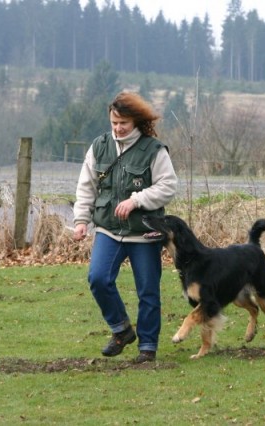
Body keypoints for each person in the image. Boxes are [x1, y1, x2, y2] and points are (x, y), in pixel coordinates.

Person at [72, 91, 177, 363]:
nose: (118, 129)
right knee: (98, 278)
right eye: (114, 123)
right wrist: (81, 221)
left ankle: (148, 346)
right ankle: (121, 330)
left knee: (148, 290)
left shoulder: (154, 150)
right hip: (108, 229)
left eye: (124, 124)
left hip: (144, 232)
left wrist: (137, 200)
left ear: (137, 123)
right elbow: (87, 186)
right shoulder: (99, 146)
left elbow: (168, 186)